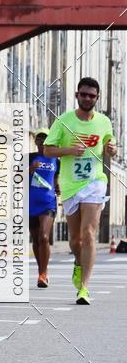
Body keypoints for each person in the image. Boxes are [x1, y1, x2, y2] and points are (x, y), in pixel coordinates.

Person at [43, 77, 117, 305]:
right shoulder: (64, 122)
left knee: (88, 234)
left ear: (97, 98)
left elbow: (109, 145)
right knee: (76, 240)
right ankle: (79, 263)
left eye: (92, 96)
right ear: (77, 95)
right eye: (84, 94)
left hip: (95, 182)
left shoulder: (104, 122)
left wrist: (111, 149)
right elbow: (47, 150)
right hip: (70, 184)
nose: (87, 98)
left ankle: (84, 288)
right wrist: (68, 150)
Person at [28, 128, 60, 288]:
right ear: (35, 141)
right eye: (39, 138)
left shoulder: (56, 160)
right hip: (30, 203)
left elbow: (57, 180)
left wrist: (59, 187)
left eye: (45, 138)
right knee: (36, 239)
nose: (42, 141)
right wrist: (30, 170)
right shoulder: (29, 158)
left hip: (48, 203)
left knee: (44, 237)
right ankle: (40, 271)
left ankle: (44, 273)